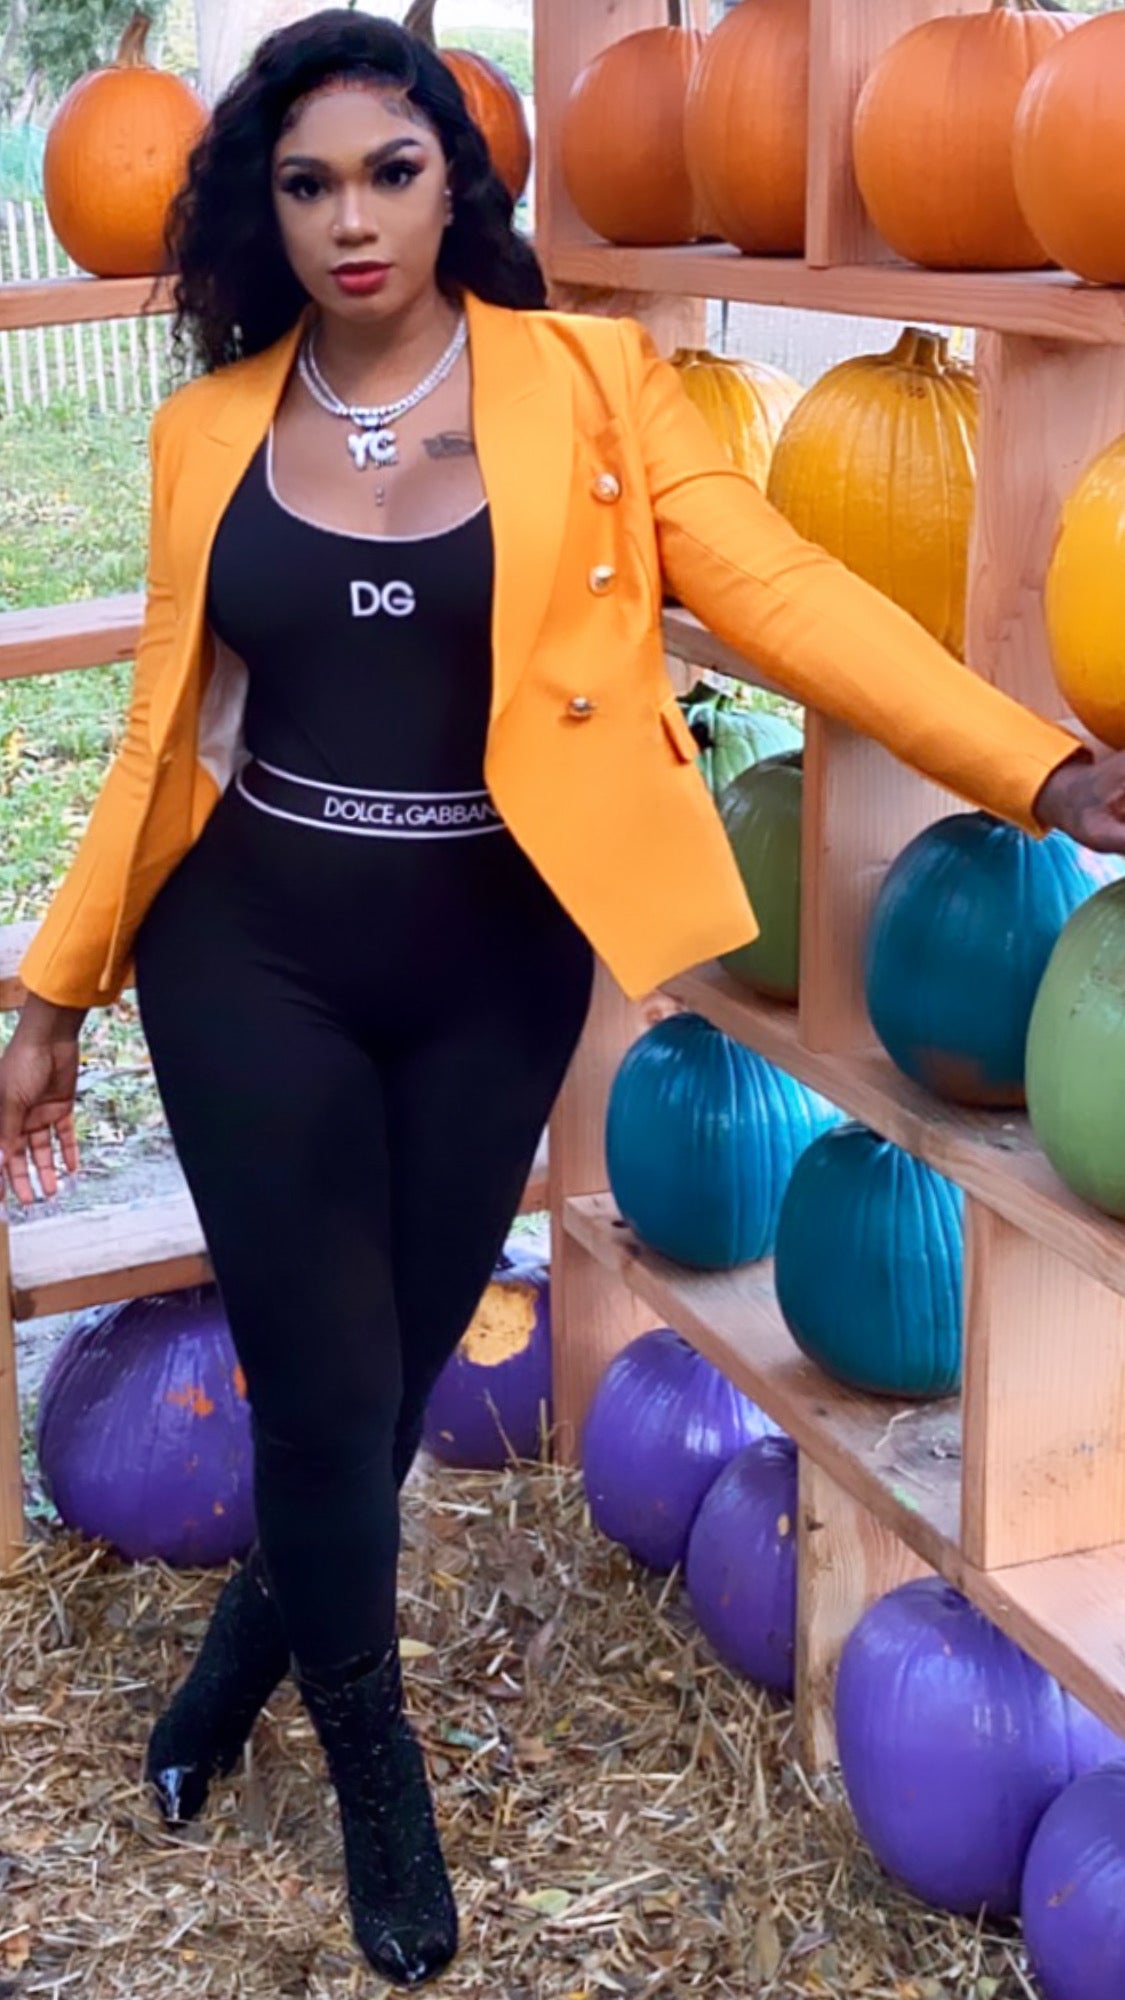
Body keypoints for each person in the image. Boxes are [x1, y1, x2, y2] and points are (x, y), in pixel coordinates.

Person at [2, 9, 1125, 1989]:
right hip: (249, 951)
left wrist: (1035, 770)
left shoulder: (593, 388)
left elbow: (783, 592)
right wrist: (55, 993)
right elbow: (162, 742)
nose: (354, 219)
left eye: (391, 170)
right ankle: (377, 1769)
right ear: (265, 212)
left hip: (489, 962)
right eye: (307, 185)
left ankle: (245, 1651)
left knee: (385, 1369)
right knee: (324, 1382)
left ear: (455, 181)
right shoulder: (207, 431)